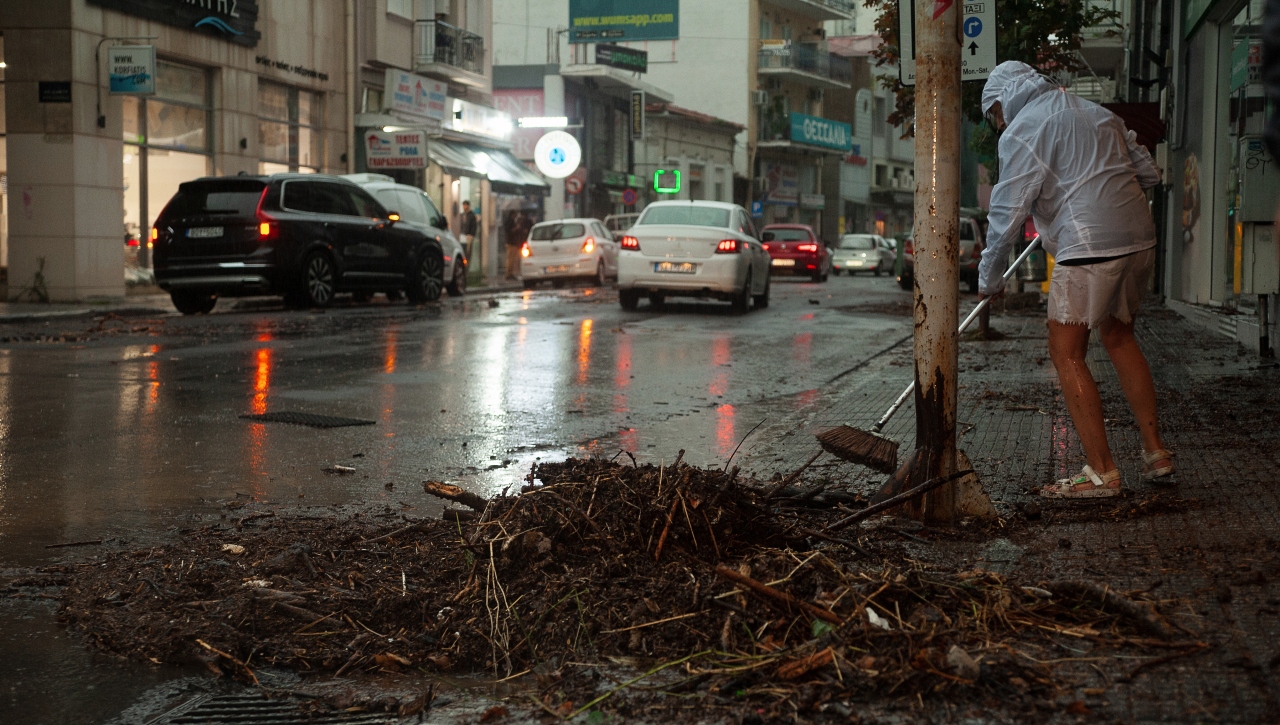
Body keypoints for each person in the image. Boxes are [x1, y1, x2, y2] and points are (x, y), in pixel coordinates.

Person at [977, 61, 1174, 499]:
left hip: (1089, 247)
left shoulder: (1023, 129)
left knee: (1066, 353)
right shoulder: (1098, 112)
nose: (997, 124)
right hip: (1138, 239)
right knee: (1120, 337)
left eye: (993, 114)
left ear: (1003, 101)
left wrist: (989, 277)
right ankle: (1156, 451)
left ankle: (1102, 472)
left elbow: (1007, 212)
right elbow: (1149, 175)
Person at [505, 212, 528, 280]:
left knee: (512, 259)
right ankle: (509, 274)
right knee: (510, 259)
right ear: (513, 215)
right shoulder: (510, 222)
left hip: (513, 243)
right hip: (511, 243)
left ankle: (510, 273)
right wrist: (516, 228)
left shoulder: (512, 221)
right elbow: (509, 231)